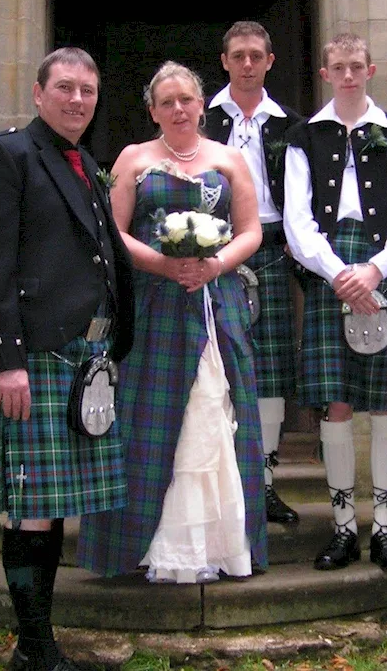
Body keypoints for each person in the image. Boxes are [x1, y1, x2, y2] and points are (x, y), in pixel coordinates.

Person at [0, 47, 135, 671]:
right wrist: (3, 360)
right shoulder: (6, 156)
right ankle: (35, 650)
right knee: (32, 504)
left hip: (80, 356)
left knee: (51, 504)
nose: (77, 100)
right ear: (39, 93)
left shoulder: (88, 164)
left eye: (87, 90)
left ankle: (37, 648)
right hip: (32, 357)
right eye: (65, 88)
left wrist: (114, 345)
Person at [76, 61, 268, 583]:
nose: (178, 109)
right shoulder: (134, 158)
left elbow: (250, 231)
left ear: (201, 104)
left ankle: (219, 544)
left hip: (215, 300)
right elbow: (114, 232)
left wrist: (216, 264)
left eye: (186, 99)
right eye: (167, 102)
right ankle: (141, 546)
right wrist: (164, 264)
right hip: (154, 304)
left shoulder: (229, 159)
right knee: (146, 420)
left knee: (212, 408)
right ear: (153, 110)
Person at [283, 33, 387, 571]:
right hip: (330, 272)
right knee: (336, 403)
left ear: (372, 70)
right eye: (338, 67)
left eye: (356, 66)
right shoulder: (304, 137)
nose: (347, 75)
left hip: (384, 267)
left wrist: (374, 269)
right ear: (325, 74)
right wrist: (339, 273)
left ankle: (385, 530)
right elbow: (297, 221)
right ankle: (344, 527)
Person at [205, 21, 304, 525]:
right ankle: (221, 485)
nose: (247, 63)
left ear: (270, 62)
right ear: (224, 61)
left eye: (256, 56)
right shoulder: (200, 119)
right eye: (238, 55)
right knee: (214, 366)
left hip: (270, 245)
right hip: (212, 248)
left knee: (269, 372)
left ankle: (263, 485)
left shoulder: (292, 125)